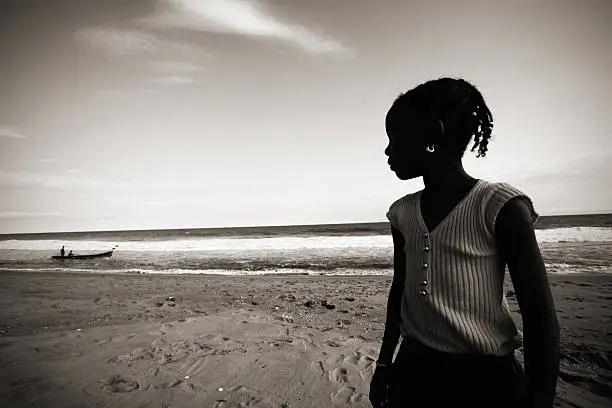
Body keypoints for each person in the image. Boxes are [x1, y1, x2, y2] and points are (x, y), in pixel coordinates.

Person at [369, 77, 560, 408]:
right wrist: (384, 363)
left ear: (433, 135)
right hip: (413, 373)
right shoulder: (402, 213)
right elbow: (399, 291)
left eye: (394, 138)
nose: (387, 150)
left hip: (486, 380)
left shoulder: (499, 205)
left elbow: (539, 315)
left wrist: (539, 397)